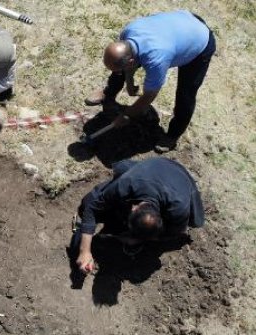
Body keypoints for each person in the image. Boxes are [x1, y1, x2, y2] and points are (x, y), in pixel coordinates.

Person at [85, 10, 216, 153]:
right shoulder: (128, 33)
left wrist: (127, 115)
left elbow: (149, 96)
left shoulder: (156, 59)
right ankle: (108, 93)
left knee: (186, 94)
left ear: (131, 61)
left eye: (125, 67)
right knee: (119, 66)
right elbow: (126, 66)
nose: (118, 72)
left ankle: (172, 136)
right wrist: (129, 83)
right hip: (181, 24)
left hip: (199, 42)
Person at [74, 157, 205, 274]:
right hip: (156, 167)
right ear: (135, 207)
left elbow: (174, 232)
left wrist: (138, 239)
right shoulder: (127, 184)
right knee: (89, 202)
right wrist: (84, 251)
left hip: (179, 180)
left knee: (195, 222)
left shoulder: (178, 209)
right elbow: (92, 208)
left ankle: (140, 235)